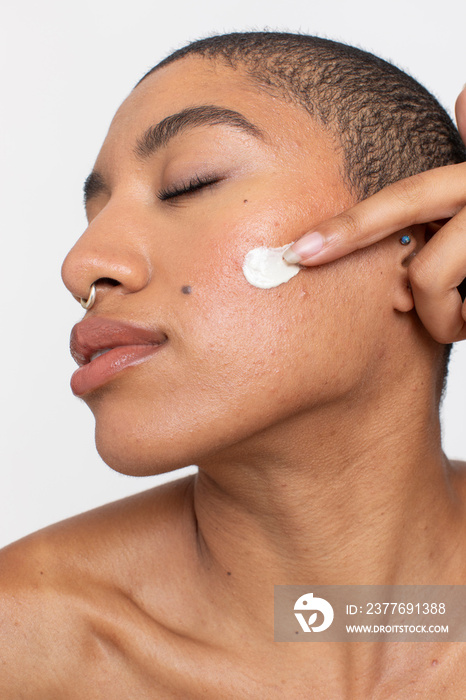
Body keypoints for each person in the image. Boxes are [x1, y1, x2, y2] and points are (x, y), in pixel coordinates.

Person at [1, 31, 465, 698]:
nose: (84, 265)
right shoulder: (23, 649)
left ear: (413, 243)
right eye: (94, 213)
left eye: (192, 182)